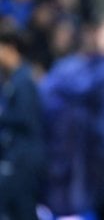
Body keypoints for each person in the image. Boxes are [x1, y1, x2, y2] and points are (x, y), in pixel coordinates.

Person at [0, 28, 44, 220]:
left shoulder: (24, 80)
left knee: (23, 209)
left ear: (10, 48)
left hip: (24, 156)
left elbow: (26, 117)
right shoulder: (14, 78)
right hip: (18, 153)